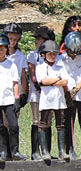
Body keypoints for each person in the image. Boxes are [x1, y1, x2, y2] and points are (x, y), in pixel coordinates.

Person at [57, 31, 81, 159]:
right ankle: (69, 149)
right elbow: (59, 76)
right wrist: (67, 92)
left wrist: (76, 89)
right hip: (66, 94)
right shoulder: (60, 59)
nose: (74, 55)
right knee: (68, 120)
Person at [35, 40, 69, 161]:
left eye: (55, 54)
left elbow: (65, 81)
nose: (53, 56)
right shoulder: (40, 67)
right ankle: (45, 151)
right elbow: (43, 81)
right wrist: (56, 80)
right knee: (44, 124)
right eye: (50, 54)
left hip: (59, 99)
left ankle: (62, 151)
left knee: (61, 124)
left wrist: (51, 81)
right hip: (46, 99)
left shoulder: (60, 66)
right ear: (43, 54)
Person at [27, 26, 56, 160]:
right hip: (36, 91)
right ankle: (35, 151)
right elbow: (33, 75)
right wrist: (39, 85)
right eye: (36, 38)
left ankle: (47, 151)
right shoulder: (32, 55)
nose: (36, 41)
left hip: (50, 92)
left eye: (39, 38)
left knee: (47, 121)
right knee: (37, 120)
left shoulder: (54, 55)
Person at [60, 15, 81, 124]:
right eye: (74, 25)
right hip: (68, 86)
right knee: (69, 119)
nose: (77, 28)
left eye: (79, 25)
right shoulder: (63, 46)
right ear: (68, 28)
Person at [0, 33, 26, 161]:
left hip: (9, 99)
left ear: (6, 49)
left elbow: (16, 82)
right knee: (1, 127)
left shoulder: (11, 65)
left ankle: (15, 151)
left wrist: (17, 98)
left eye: (3, 48)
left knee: (13, 125)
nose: (0, 50)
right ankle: (4, 152)